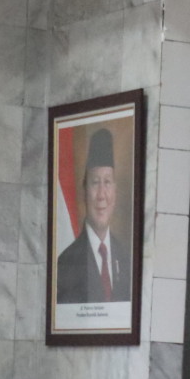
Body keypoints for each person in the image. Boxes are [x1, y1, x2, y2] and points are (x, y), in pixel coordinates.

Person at [55, 126, 130, 303]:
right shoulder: (66, 262)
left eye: (107, 182)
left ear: (115, 191)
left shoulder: (126, 260)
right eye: (95, 182)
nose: (101, 195)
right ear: (84, 191)